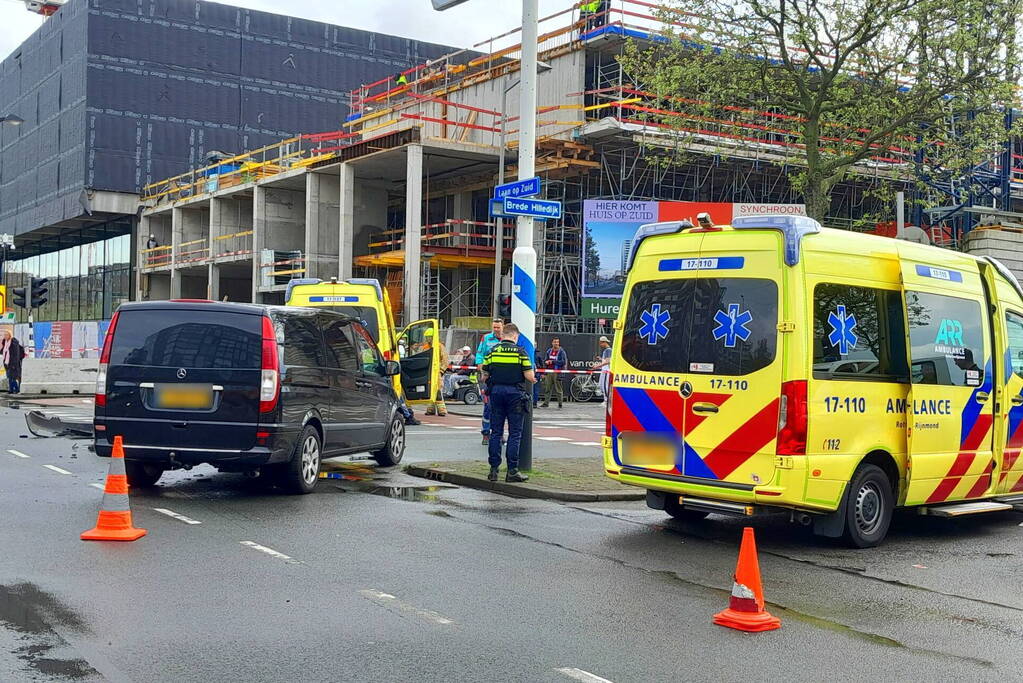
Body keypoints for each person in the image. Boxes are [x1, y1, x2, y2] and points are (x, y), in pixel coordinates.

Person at [481, 323, 536, 483]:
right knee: (515, 433)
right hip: (514, 394)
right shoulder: (521, 352)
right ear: (515, 336)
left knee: (496, 432)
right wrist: (534, 377)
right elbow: (529, 376)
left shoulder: (492, 351)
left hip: (496, 393)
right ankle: (512, 471)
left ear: (503, 334)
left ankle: (493, 470)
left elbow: (484, 374)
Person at [475, 318, 505, 444]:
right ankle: (486, 433)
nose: (496, 330)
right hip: (487, 377)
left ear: (503, 327)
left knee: (502, 408)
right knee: (488, 406)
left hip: (502, 377)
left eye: (498, 327)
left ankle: (499, 433)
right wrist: (481, 367)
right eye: (494, 327)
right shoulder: (486, 338)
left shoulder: (507, 339)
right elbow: (480, 354)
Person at [420, 328, 448, 417]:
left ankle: (441, 410)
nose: (427, 339)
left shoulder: (439, 346)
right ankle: (431, 409)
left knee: (437, 390)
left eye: (429, 337)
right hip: (428, 371)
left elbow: (445, 359)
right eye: (427, 337)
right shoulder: (425, 347)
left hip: (436, 372)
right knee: (430, 390)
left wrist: (442, 370)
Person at [541, 337, 568, 408]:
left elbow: (563, 362)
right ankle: (546, 403)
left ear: (559, 343)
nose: (556, 343)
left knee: (558, 389)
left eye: (557, 342)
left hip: (557, 372)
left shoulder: (561, 352)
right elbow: (545, 360)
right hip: (549, 372)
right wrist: (546, 363)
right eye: (554, 342)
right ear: (552, 343)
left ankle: (560, 404)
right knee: (547, 388)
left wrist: (553, 361)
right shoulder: (549, 351)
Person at [1, 330, 25, 395]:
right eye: (4, 335)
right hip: (6, 362)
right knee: (9, 377)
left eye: (6, 335)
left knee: (13, 377)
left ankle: (16, 389)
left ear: (10, 335)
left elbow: (16, 354)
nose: (5, 336)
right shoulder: (5, 342)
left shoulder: (14, 343)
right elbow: (3, 351)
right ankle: (11, 390)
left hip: (13, 363)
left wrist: (14, 364)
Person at [594, 335, 612, 403]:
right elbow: (606, 360)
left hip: (606, 370)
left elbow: (608, 361)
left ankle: (607, 401)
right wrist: (601, 359)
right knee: (602, 385)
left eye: (601, 343)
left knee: (605, 386)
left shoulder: (608, 350)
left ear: (604, 342)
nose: (600, 345)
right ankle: (606, 400)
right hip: (604, 370)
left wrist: (597, 366)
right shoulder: (607, 350)